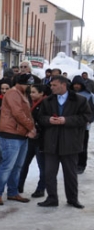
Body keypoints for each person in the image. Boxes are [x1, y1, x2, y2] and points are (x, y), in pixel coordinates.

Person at [37, 76, 91, 209]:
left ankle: (72, 199)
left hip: (70, 143)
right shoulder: (47, 100)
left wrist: (66, 120)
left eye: (54, 85)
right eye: (51, 85)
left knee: (70, 173)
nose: (51, 88)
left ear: (63, 85)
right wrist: (48, 120)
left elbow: (86, 117)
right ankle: (52, 198)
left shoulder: (80, 100)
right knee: (49, 173)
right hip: (51, 142)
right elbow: (40, 118)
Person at [0, 74, 36, 206]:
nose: (30, 88)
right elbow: (18, 113)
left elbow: (26, 113)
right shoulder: (13, 93)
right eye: (28, 85)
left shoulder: (22, 93)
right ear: (22, 84)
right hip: (11, 134)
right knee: (7, 166)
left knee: (17, 166)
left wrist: (29, 128)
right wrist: (31, 128)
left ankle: (12, 192)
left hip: (21, 134)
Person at [17, 84, 47, 198]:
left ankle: (41, 189)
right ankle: (19, 185)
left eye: (34, 92)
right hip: (29, 138)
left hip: (41, 140)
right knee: (23, 164)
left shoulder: (46, 104)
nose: (31, 94)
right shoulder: (29, 102)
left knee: (42, 166)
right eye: (30, 92)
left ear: (41, 93)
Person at [70, 75, 94, 174]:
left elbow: (92, 110)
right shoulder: (69, 94)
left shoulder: (89, 95)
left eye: (78, 84)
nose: (76, 86)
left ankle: (81, 165)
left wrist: (89, 120)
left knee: (82, 146)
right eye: (75, 84)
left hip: (84, 126)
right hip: (71, 125)